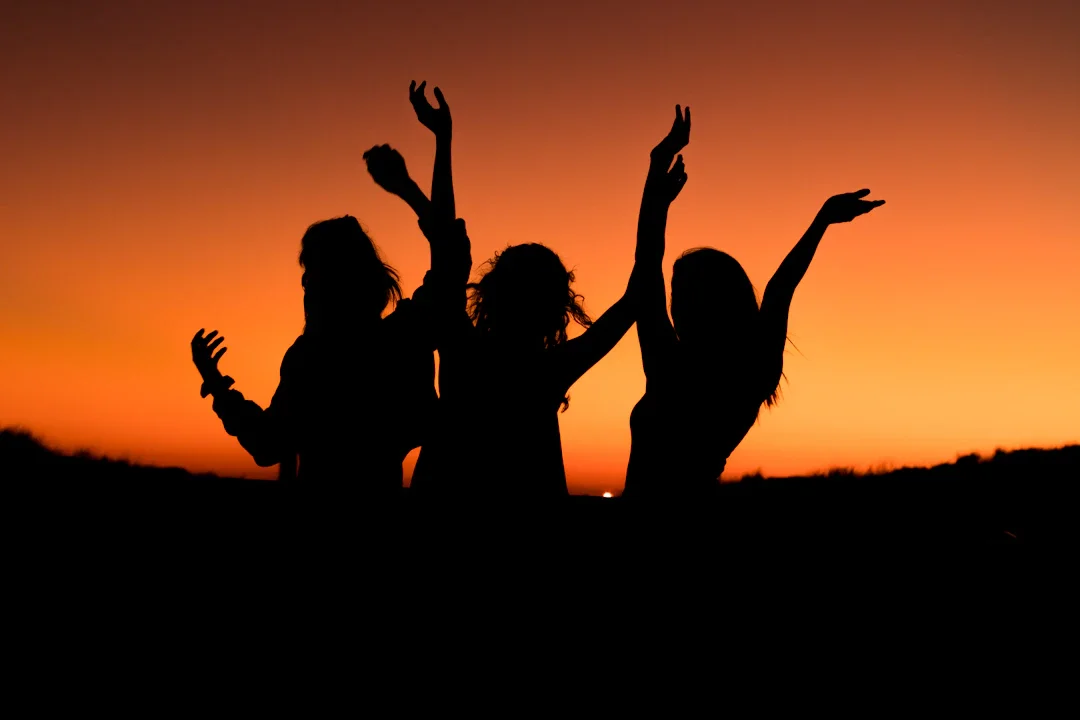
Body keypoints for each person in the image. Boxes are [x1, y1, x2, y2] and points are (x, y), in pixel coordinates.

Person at [376, 83, 682, 499]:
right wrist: (656, 195)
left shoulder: (462, 346)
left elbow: (445, 247)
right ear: (557, 307)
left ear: (491, 291)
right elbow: (637, 293)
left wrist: (441, 141)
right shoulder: (548, 370)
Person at [623, 106, 885, 499]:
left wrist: (656, 178)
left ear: (713, 300)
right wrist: (821, 221)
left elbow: (647, 263)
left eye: (684, 292)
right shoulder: (751, 369)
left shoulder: (671, 365)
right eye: (675, 293)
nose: (674, 304)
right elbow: (779, 288)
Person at [189, 143, 465, 498]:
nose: (305, 284)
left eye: (313, 274)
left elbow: (266, 444)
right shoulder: (400, 338)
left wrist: (216, 384)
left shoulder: (311, 357)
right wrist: (408, 185)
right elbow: (450, 261)